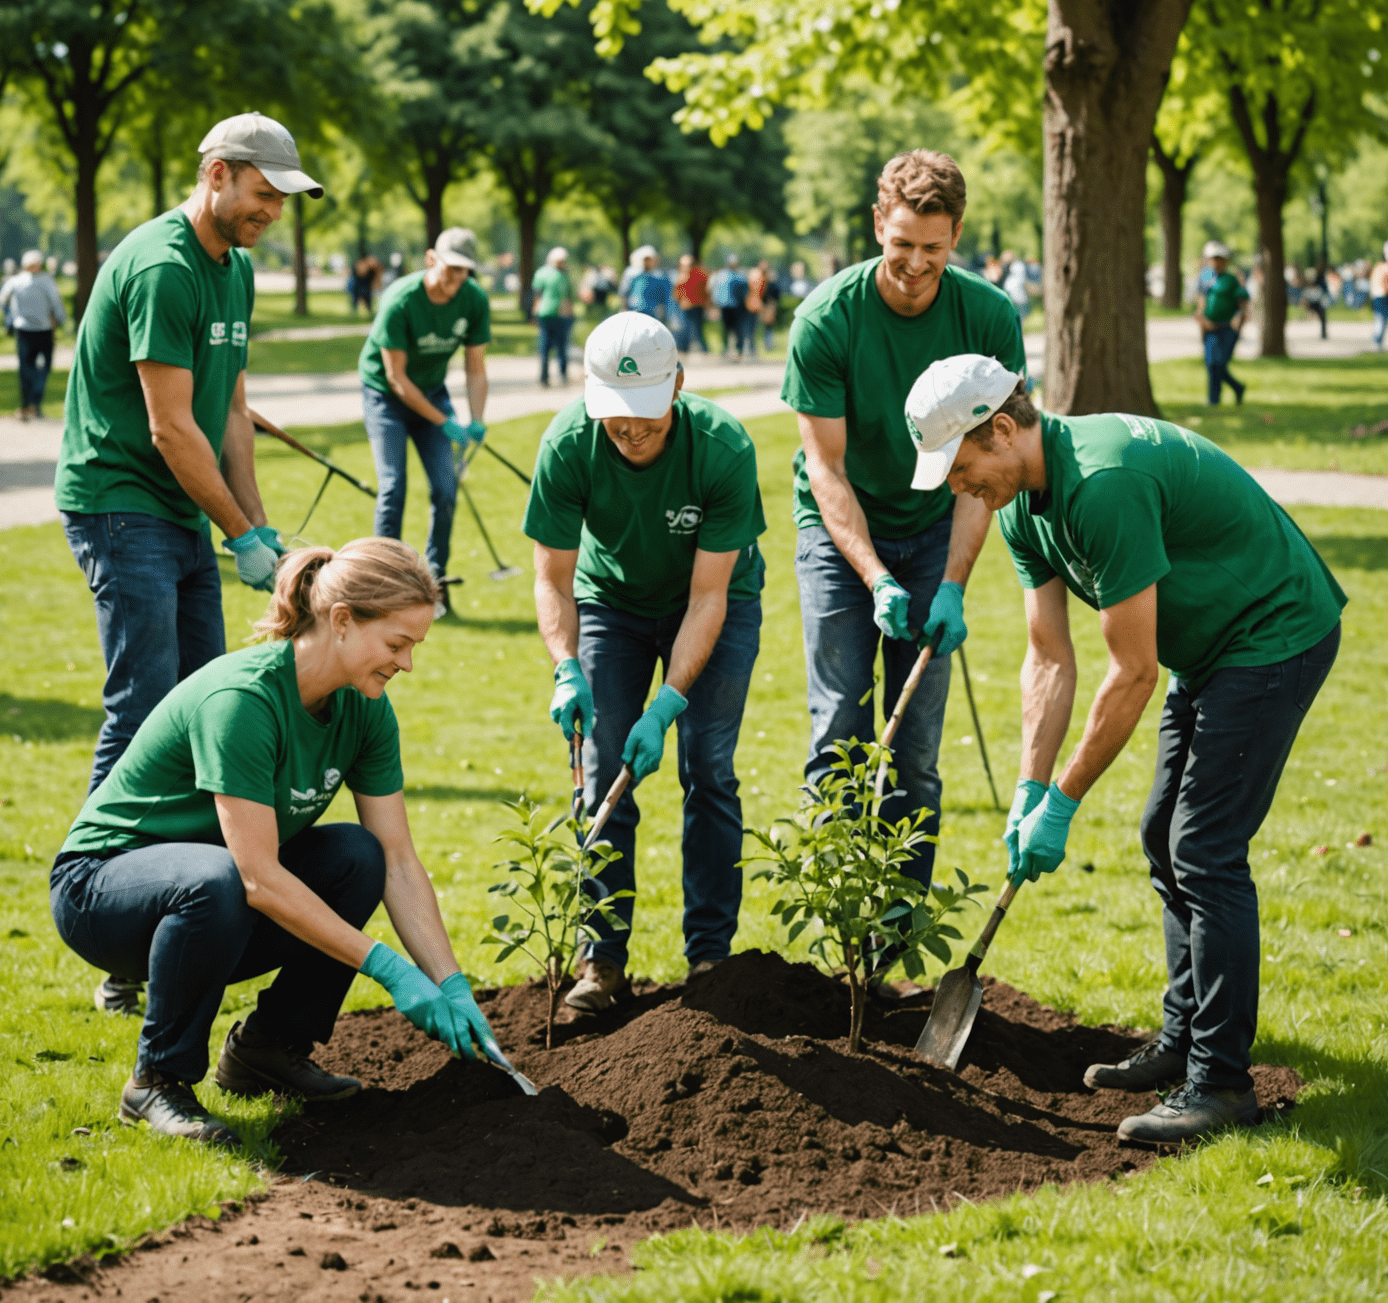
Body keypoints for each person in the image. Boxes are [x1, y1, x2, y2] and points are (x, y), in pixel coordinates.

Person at [910, 354, 1345, 1143]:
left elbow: (1133, 672)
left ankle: (1220, 1084)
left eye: (962, 466)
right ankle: (1183, 1041)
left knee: (1205, 848)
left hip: (1272, 633)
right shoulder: (1020, 505)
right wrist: (1027, 790)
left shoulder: (1103, 483)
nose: (956, 486)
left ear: (1003, 430)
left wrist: (1065, 803)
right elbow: (1048, 658)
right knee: (1162, 838)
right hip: (1210, 648)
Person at [48, 539, 499, 1146]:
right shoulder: (243, 701)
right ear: (341, 621)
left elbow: (395, 858)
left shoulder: (364, 710)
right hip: (102, 892)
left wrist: (449, 981)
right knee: (221, 877)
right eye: (397, 644)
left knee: (355, 857)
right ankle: (156, 1081)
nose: (407, 664)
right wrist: (387, 967)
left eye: (413, 647)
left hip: (216, 895)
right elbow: (258, 877)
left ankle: (269, 1048)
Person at [55, 113, 320, 1017]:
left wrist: (259, 528)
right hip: (120, 499)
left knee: (204, 706)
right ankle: (111, 922)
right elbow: (171, 427)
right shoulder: (165, 266)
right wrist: (236, 535)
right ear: (217, 173)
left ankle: (192, 898)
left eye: (283, 198)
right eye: (262, 192)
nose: (273, 211)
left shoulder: (235, 268)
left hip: (180, 501)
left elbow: (231, 413)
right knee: (144, 702)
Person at [780, 150, 1024, 993]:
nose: (917, 265)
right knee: (838, 735)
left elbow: (986, 467)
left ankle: (892, 949)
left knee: (914, 754)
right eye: (901, 245)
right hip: (840, 530)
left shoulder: (989, 318)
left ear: (957, 236)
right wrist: (875, 577)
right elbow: (825, 469)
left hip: (936, 525)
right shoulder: (827, 319)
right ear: (876, 227)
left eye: (936, 248)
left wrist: (949, 582)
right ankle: (835, 947)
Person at [524, 313, 766, 1013]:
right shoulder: (570, 444)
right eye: (615, 419)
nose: (629, 433)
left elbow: (709, 595)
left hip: (715, 602)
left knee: (708, 769)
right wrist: (567, 665)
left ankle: (710, 957)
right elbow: (551, 579)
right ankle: (601, 960)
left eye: (645, 420)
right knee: (605, 772)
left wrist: (667, 704)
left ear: (678, 388)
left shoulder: (721, 448)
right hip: (610, 606)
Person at [358, 228, 490, 598]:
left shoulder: (473, 300)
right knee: (393, 487)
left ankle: (434, 580)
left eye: (465, 271)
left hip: (432, 391)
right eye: (452, 268)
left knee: (446, 490)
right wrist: (443, 421)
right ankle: (380, 583)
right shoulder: (401, 300)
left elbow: (476, 368)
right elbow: (396, 379)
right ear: (432, 259)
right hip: (385, 395)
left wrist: (476, 418)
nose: (458, 278)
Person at [0, 249, 68, 419]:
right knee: (45, 367)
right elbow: (56, 304)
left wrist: (11, 315)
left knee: (25, 368)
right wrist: (62, 320)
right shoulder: (46, 281)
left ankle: (25, 405)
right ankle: (34, 404)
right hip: (44, 329)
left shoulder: (15, 281)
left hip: (23, 330)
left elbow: (1, 300)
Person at [1194, 239, 1247, 406]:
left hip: (1226, 328)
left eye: (1220, 259)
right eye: (1213, 259)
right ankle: (1214, 399)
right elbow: (1201, 300)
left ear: (1225, 261)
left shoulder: (1231, 279)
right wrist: (1201, 320)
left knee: (1220, 363)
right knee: (1211, 364)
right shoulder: (1205, 277)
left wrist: (1238, 322)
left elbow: (1242, 303)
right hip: (1210, 327)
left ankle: (1236, 388)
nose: (1216, 262)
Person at [532, 245, 576, 386]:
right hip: (546, 313)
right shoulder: (543, 273)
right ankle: (544, 376)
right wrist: (534, 312)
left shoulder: (565, 275)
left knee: (562, 346)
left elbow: (569, 296)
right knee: (545, 346)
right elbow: (537, 294)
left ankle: (563, 375)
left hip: (562, 314)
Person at [712, 254, 750, 359]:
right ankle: (724, 349)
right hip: (725, 306)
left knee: (738, 329)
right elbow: (716, 291)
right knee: (725, 328)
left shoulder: (741, 275)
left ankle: (739, 349)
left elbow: (746, 291)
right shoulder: (722, 275)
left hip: (738, 306)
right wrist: (715, 305)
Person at [624, 245, 672, 323]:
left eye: (650, 259)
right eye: (645, 259)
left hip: (652, 313)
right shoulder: (633, 275)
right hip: (634, 310)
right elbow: (625, 292)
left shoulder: (660, 277)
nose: (647, 262)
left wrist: (664, 314)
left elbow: (665, 297)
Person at [674, 253, 709, 353]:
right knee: (686, 327)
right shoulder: (682, 276)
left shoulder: (698, 274)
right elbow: (677, 293)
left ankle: (702, 348)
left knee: (697, 328)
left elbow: (705, 288)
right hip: (686, 306)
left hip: (698, 305)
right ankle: (683, 348)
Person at [1300, 270, 1329, 339]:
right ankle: (1311, 314)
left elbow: (1322, 298)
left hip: (1318, 303)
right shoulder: (1306, 289)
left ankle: (1323, 334)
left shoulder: (1318, 288)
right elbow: (1304, 300)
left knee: (1322, 314)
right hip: (1310, 304)